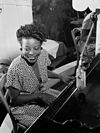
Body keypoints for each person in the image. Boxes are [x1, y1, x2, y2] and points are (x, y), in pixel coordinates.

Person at [5, 23, 73, 127]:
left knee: (67, 106)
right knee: (52, 124)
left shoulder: (42, 55)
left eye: (36, 48)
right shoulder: (15, 68)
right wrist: (39, 96)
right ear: (21, 48)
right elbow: (15, 100)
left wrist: (60, 76)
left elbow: (43, 71)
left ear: (41, 47)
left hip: (40, 92)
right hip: (23, 107)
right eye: (27, 49)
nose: (31, 53)